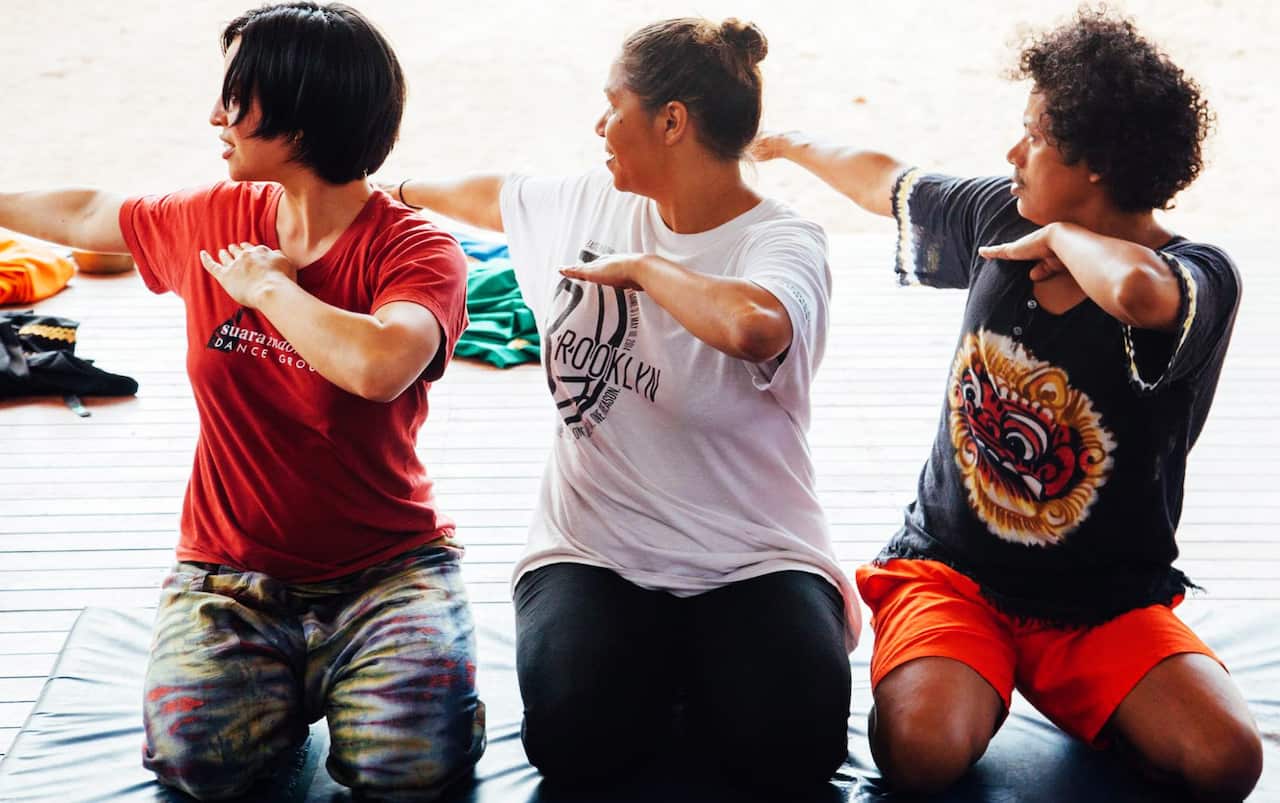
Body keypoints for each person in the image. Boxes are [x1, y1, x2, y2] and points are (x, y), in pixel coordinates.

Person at [752, 8, 1262, 801]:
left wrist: (1059, 242)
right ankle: (970, 670)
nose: (1012, 153)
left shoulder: (1201, 275)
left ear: (1095, 163)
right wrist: (788, 145)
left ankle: (1076, 693)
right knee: (921, 754)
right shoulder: (1002, 215)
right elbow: (888, 179)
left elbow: (1134, 291)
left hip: (1105, 604)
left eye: (1035, 135)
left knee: (1229, 759)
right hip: (954, 575)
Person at [0, 3, 484, 799]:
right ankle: (290, 693)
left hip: (388, 571)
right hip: (230, 572)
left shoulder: (414, 248)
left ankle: (361, 685)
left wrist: (266, 289)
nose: (216, 115)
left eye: (238, 97)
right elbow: (90, 213)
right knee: (198, 761)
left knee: (412, 770)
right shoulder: (215, 217)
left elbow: (378, 365)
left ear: (303, 115)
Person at [393, 16, 857, 793]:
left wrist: (645, 268)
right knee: (575, 737)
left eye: (615, 106)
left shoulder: (783, 242)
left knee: (795, 748)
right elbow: (490, 196)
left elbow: (752, 325)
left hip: (751, 554)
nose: (600, 125)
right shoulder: (585, 203)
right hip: (595, 548)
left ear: (672, 120)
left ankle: (697, 669)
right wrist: (388, 189)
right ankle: (673, 671)